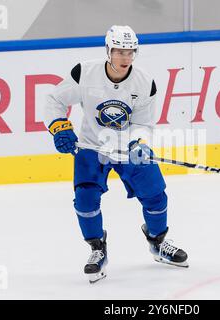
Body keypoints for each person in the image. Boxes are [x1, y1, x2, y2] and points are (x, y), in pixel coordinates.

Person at [44, 25, 188, 283]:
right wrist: (60, 127)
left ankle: (157, 242)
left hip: (127, 149)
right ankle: (97, 249)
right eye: (120, 51)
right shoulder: (85, 72)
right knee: (85, 200)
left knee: (155, 194)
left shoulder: (144, 82)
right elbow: (55, 99)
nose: (126, 58)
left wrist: (139, 143)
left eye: (131, 52)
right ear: (108, 50)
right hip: (92, 146)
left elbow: (143, 123)